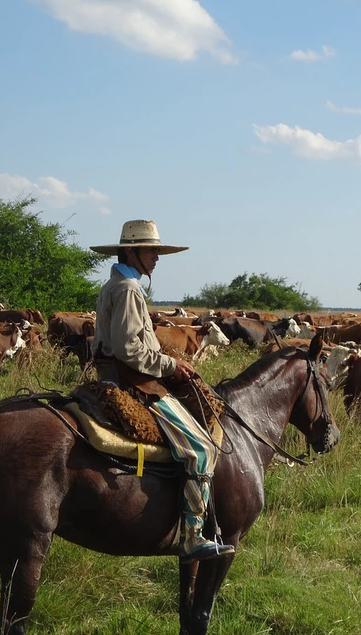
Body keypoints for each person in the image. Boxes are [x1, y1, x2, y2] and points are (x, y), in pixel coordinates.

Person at [90, 220, 235, 561]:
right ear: (131, 251)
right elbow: (129, 348)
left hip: (120, 374)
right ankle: (192, 536)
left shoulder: (120, 283)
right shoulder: (127, 288)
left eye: (157, 251)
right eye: (151, 251)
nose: (157, 257)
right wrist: (171, 365)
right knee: (201, 449)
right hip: (133, 381)